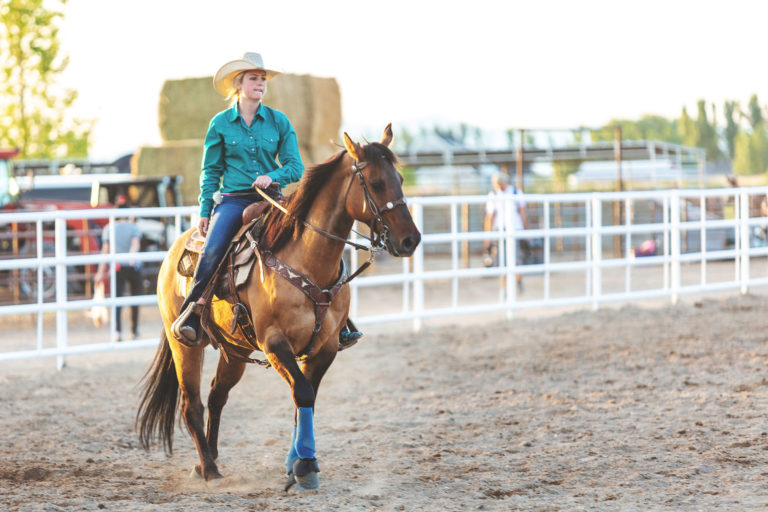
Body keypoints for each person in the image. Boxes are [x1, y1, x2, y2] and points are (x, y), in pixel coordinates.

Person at [171, 52, 362, 346]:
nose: (260, 83)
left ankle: (339, 320)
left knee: (314, 240)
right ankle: (193, 312)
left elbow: (295, 167)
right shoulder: (220, 124)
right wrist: (205, 210)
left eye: (263, 79)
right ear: (239, 84)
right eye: (254, 78)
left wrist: (273, 176)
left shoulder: (278, 121)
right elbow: (210, 171)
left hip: (273, 198)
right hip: (234, 200)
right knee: (213, 248)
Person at [94, 196, 142, 340]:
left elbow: (105, 250)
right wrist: (132, 256)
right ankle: (134, 331)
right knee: (135, 299)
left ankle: (117, 332)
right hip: (133, 266)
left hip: (117, 266)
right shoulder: (133, 227)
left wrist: (100, 272)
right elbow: (135, 244)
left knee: (117, 300)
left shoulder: (109, 229)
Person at [483, 171, 528, 293]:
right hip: (500, 230)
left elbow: (522, 212)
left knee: (517, 259)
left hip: (516, 229)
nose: (498, 186)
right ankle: (503, 288)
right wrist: (488, 235)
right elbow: (490, 217)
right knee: (502, 261)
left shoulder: (516, 192)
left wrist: (525, 230)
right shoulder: (493, 194)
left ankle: (518, 281)